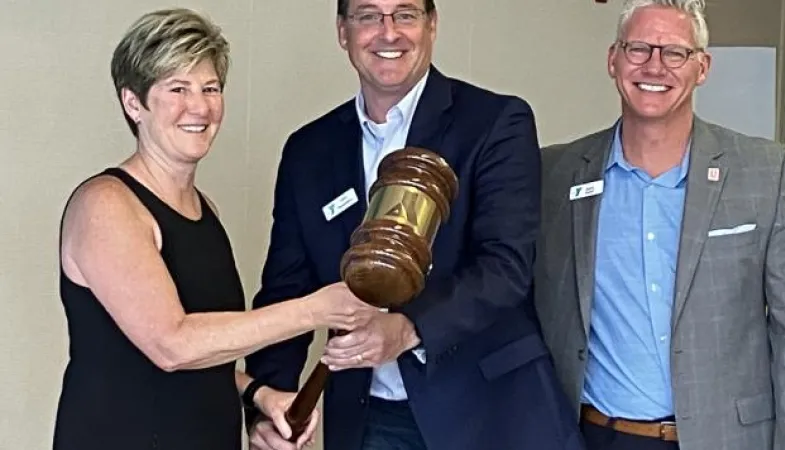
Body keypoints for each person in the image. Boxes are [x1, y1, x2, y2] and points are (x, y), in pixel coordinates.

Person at [244, 0, 585, 449]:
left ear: (431, 26)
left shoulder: (495, 122)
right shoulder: (309, 150)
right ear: (343, 32)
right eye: (368, 16)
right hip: (371, 422)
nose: (389, 33)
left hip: (490, 413)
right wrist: (269, 400)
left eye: (405, 14)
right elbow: (288, 290)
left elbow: (505, 268)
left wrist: (407, 328)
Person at [52, 8, 374, 450]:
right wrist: (315, 309)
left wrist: (258, 394)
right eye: (177, 89)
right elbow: (173, 345)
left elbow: (206, 355)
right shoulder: (106, 205)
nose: (200, 106)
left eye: (210, 88)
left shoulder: (205, 210)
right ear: (134, 103)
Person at [534, 1, 785, 450]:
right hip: (591, 436)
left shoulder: (764, 174)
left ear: (702, 67)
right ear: (613, 59)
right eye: (638, 49)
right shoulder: (555, 175)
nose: (655, 65)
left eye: (675, 52)